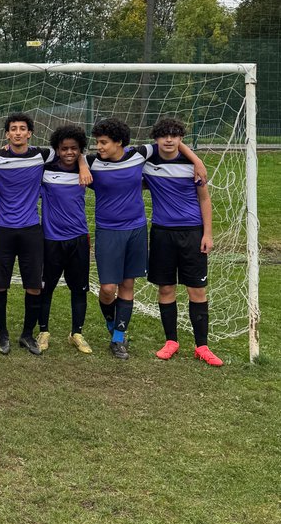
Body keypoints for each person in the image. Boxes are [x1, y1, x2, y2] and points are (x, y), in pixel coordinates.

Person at [0, 112, 90, 356]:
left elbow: (73, 152)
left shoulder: (42, 155)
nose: (18, 132)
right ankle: (2, 335)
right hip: (3, 231)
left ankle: (27, 335)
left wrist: (82, 165)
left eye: (22, 128)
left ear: (30, 133)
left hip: (31, 230)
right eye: (13, 129)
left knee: (34, 286)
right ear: (7, 133)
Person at [88, 116, 207, 360]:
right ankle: (112, 325)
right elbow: (73, 155)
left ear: (119, 142)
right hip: (108, 231)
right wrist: (81, 165)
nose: (98, 147)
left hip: (136, 229)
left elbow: (172, 142)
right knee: (108, 289)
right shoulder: (92, 163)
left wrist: (197, 160)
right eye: (97, 142)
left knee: (128, 285)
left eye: (103, 142)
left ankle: (119, 338)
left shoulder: (139, 155)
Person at [144, 117, 223, 366]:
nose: (169, 139)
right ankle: (171, 342)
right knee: (166, 288)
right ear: (156, 140)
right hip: (161, 233)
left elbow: (204, 200)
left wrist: (207, 233)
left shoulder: (193, 167)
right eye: (164, 135)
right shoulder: (146, 163)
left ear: (181, 139)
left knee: (197, 290)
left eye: (175, 135)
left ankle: (202, 346)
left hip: (192, 233)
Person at [37, 125, 93, 355]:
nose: (69, 152)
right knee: (45, 287)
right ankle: (43, 331)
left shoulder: (87, 171)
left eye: (74, 149)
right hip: (51, 239)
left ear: (80, 150)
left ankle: (76, 333)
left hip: (79, 238)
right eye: (64, 148)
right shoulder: (45, 171)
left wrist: (83, 163)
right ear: (57, 150)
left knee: (79, 289)